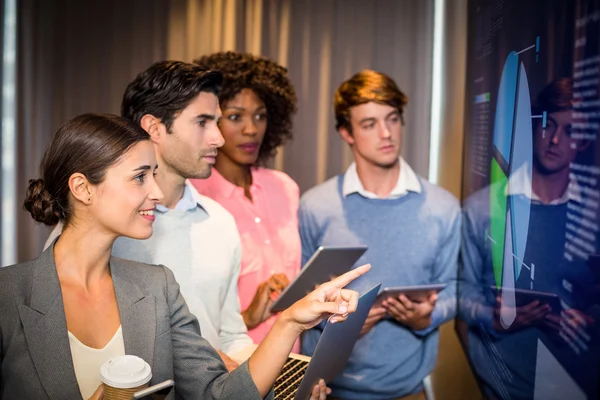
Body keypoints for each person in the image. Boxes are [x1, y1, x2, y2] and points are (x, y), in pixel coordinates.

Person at [0, 113, 369, 399]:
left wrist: (291, 321)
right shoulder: (8, 295)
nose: (157, 192)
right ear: (83, 188)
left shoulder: (158, 287)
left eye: (155, 175)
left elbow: (220, 395)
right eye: (140, 177)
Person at [45, 62, 253, 369]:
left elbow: (232, 338)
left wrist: (271, 375)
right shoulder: (93, 229)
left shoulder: (220, 222)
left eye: (218, 122)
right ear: (153, 128)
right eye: (202, 122)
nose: (219, 139)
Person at [298, 70, 461, 400]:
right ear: (346, 132)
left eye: (392, 118)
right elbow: (296, 296)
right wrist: (333, 320)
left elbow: (456, 287)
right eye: (369, 124)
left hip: (407, 391)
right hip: (324, 391)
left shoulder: (443, 207)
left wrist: (428, 317)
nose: (386, 133)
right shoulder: (315, 205)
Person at [459, 77, 600, 399]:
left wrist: (589, 320)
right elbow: (462, 290)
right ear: (534, 126)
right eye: (548, 125)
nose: (554, 140)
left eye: (570, 131)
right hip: (499, 384)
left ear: (585, 141)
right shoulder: (481, 208)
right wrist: (490, 316)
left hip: (578, 386)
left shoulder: (595, 213)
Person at [190, 52, 301, 349]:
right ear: (210, 121)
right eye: (236, 116)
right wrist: (248, 317)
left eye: (260, 115)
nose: (251, 129)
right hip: (231, 366)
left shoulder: (285, 188)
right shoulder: (195, 198)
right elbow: (187, 322)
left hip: (293, 359)